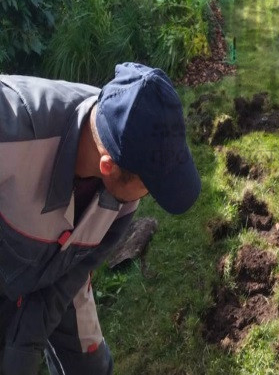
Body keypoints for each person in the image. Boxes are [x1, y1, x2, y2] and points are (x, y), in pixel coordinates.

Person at [0, 62, 202, 374]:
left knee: (91, 367)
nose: (147, 197)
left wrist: (24, 346)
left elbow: (72, 276)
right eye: (148, 186)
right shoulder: (13, 132)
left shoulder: (122, 153)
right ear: (108, 167)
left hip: (61, 270)